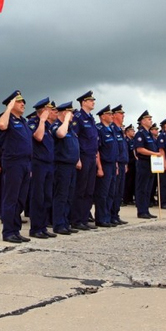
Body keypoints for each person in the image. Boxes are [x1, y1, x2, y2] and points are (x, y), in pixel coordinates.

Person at [0, 90, 33, 243]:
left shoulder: (23, 121)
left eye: (23, 101)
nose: (23, 104)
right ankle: (8, 231)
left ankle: (16, 230)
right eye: (19, 101)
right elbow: (1, 125)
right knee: (11, 198)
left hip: (25, 163)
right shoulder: (7, 119)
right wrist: (9, 108)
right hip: (13, 163)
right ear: (11, 104)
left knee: (20, 199)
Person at [27, 98, 57, 238]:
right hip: (38, 164)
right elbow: (38, 137)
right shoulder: (33, 123)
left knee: (47, 197)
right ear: (43, 111)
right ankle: (35, 228)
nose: (52, 112)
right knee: (37, 197)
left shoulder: (49, 127)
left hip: (49, 164)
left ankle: (43, 226)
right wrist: (42, 121)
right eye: (49, 110)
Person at [50, 101, 80, 235]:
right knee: (61, 195)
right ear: (64, 112)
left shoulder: (71, 129)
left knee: (69, 196)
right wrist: (66, 119)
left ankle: (65, 222)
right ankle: (58, 224)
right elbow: (60, 134)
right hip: (61, 165)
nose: (73, 115)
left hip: (71, 165)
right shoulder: (57, 125)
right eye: (70, 112)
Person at [71, 91, 99, 230]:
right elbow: (74, 138)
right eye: (90, 100)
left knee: (89, 190)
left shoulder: (91, 118)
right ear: (83, 102)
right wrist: (77, 158)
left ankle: (84, 218)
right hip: (83, 156)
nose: (93, 102)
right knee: (80, 189)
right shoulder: (78, 117)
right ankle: (76, 219)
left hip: (92, 156)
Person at [133, 110, 161, 219]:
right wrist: (154, 153)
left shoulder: (149, 134)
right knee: (142, 188)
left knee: (149, 188)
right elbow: (139, 149)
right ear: (143, 121)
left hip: (151, 163)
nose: (151, 121)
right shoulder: (140, 134)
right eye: (149, 119)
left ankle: (146, 209)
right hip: (144, 162)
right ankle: (141, 211)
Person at [94, 105, 117, 227]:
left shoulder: (111, 129)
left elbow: (114, 150)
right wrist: (100, 167)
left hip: (113, 164)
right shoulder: (100, 129)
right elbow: (97, 150)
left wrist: (117, 165)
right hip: (105, 164)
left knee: (110, 193)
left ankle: (107, 217)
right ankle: (101, 218)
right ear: (103, 116)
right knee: (102, 193)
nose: (112, 116)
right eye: (109, 114)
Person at [110, 105, 129, 225]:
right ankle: (111, 215)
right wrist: (117, 162)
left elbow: (123, 149)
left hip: (122, 164)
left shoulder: (119, 130)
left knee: (119, 192)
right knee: (113, 191)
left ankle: (116, 214)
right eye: (121, 114)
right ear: (114, 115)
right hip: (115, 164)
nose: (123, 116)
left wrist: (125, 163)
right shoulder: (112, 129)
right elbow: (114, 150)